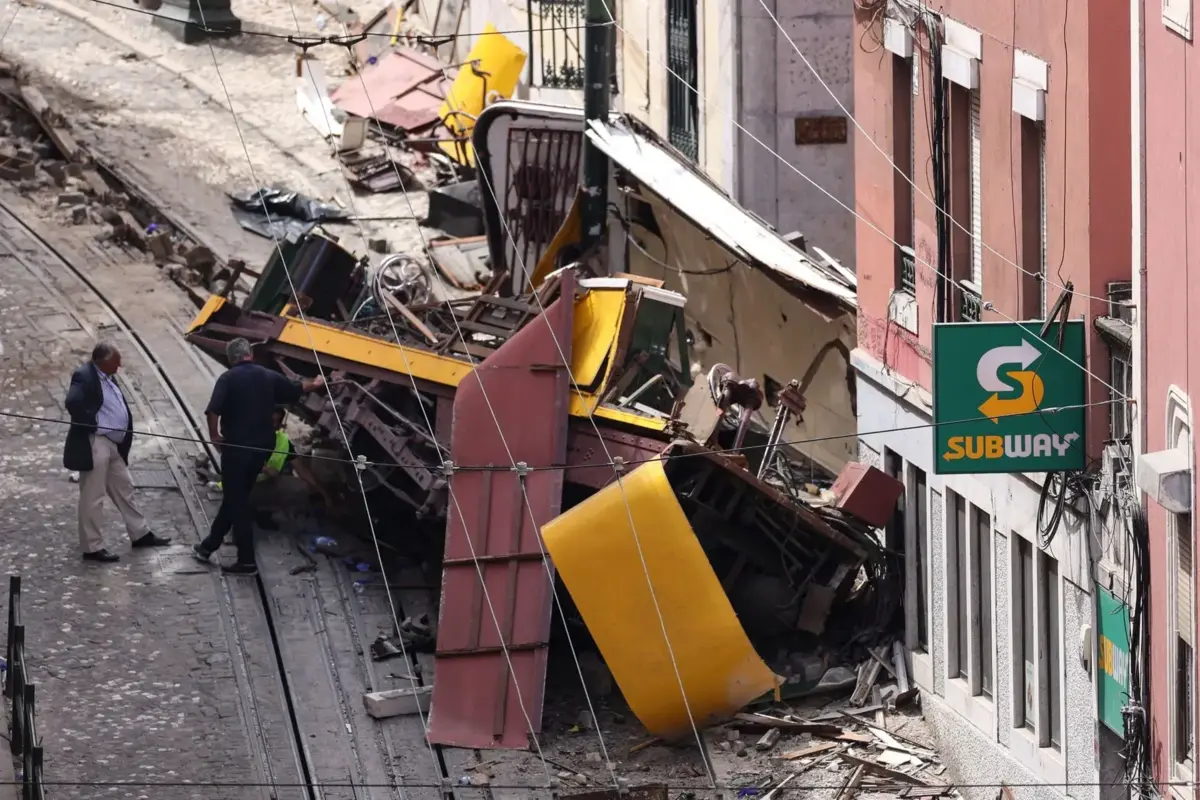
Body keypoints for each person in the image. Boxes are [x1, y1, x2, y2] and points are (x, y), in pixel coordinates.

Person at [193, 338, 324, 575]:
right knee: (235, 496)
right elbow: (296, 388)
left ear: (232, 358)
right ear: (249, 354)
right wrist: (316, 382)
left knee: (239, 504)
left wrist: (215, 436)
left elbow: (213, 410)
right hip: (260, 452)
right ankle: (207, 546)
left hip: (237, 450)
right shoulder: (267, 375)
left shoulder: (228, 378)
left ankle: (246, 562)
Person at [64, 342, 172, 562]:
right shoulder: (84, 375)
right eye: (116, 361)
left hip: (112, 443)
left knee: (124, 487)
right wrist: (92, 423)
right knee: (93, 496)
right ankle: (92, 547)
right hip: (96, 442)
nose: (120, 365)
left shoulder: (107, 377)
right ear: (103, 362)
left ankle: (140, 533)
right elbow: (72, 402)